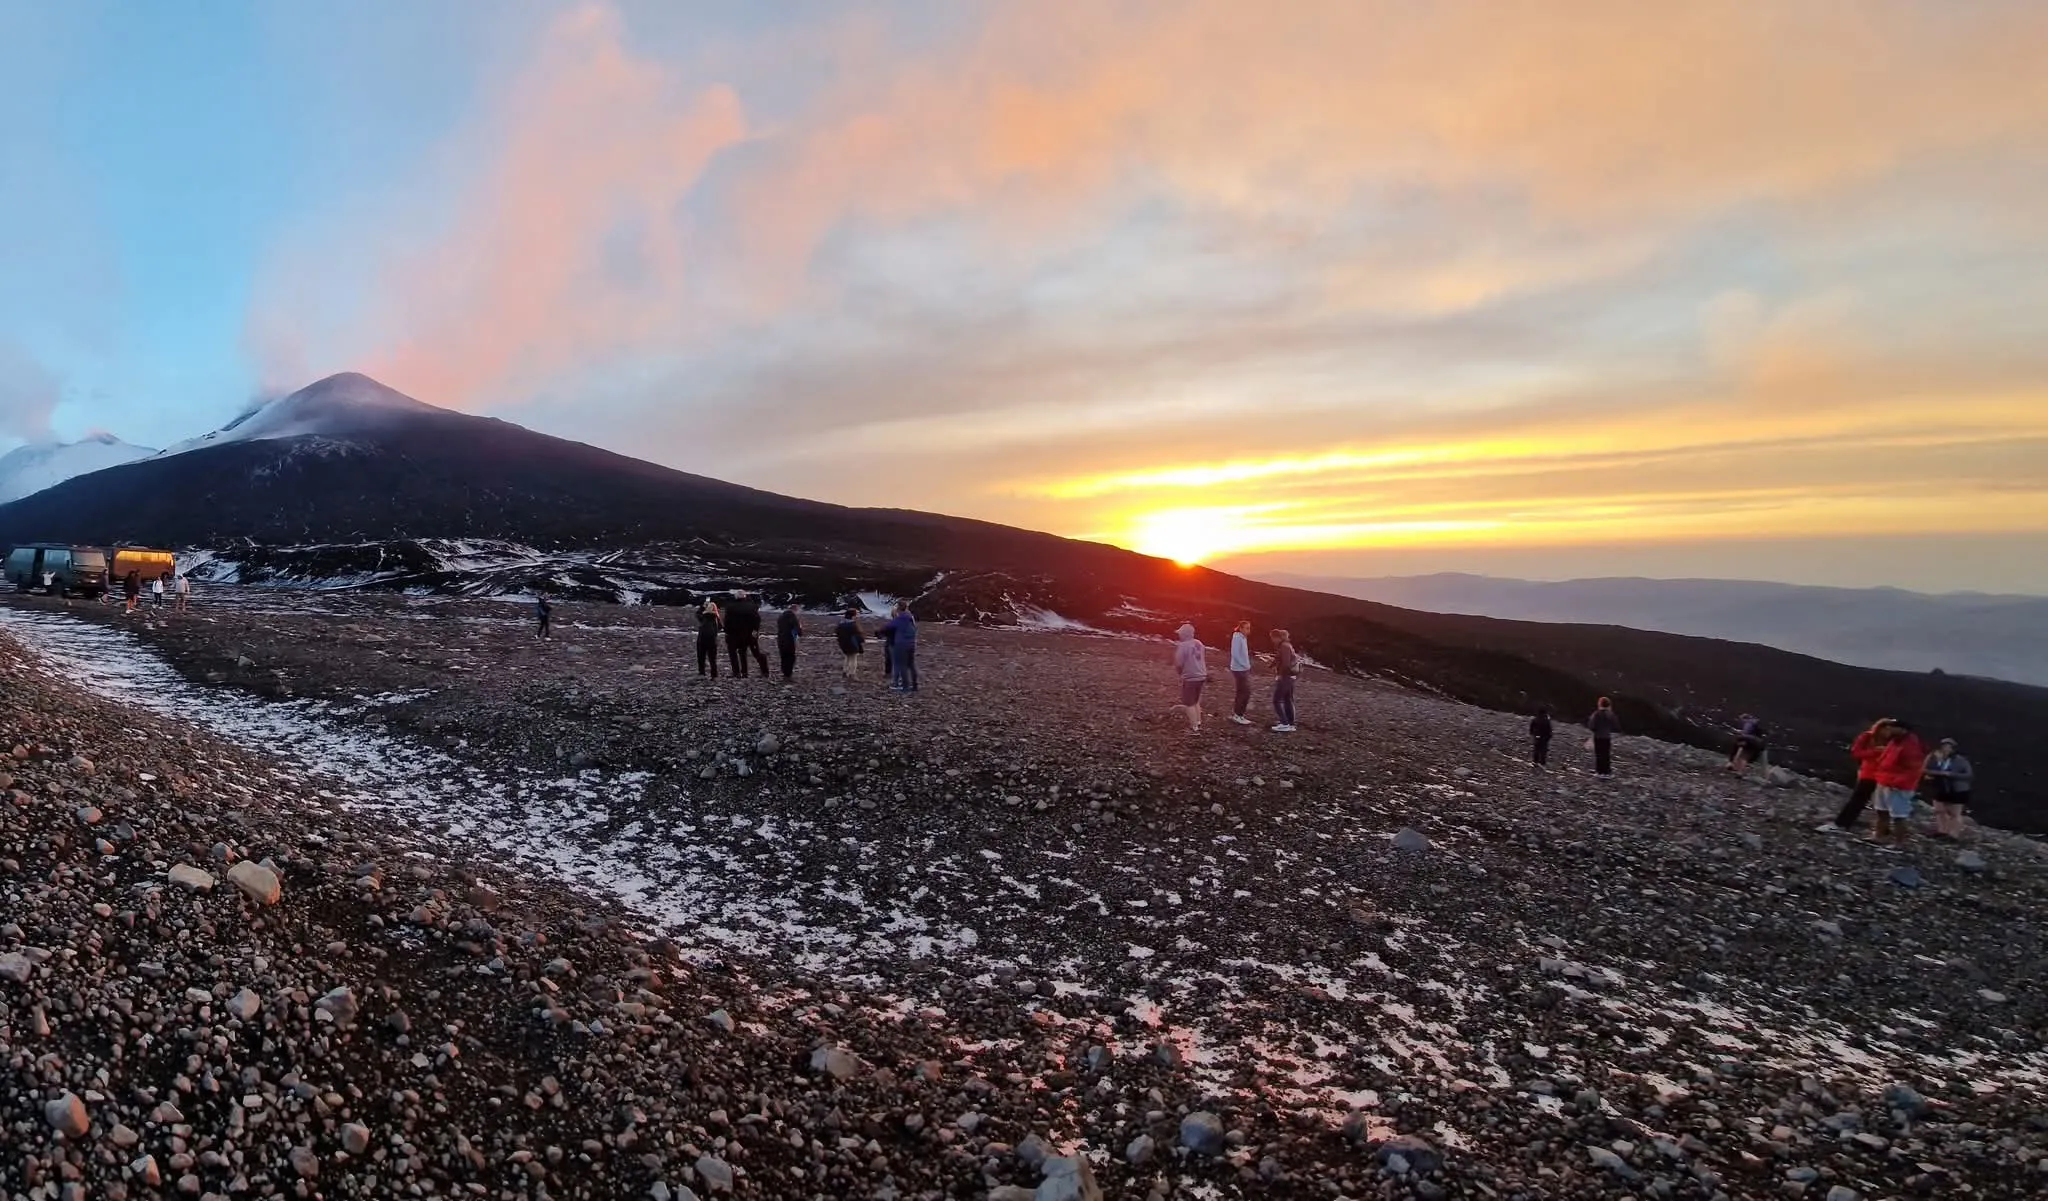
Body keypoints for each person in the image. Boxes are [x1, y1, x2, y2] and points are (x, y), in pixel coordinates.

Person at [1822, 718, 1895, 833]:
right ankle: (1842, 824)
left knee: (1882, 805)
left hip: (1886, 776)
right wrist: (1875, 752)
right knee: (1858, 800)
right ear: (1880, 728)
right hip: (1869, 774)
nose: (1888, 732)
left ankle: (1881, 830)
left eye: (1890, 730)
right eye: (1886, 729)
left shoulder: (1894, 741)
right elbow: (1856, 752)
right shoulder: (1867, 737)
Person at [1869, 720, 1928, 843]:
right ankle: (1879, 836)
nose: (1889, 730)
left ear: (1902, 730)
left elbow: (1914, 769)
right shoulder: (1894, 742)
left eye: (1892, 727)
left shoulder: (1911, 746)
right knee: (1881, 810)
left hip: (1897, 786)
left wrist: (1898, 782)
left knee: (1898, 815)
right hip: (1884, 780)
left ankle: (1899, 843)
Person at [1924, 737, 1974, 839]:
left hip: (1957, 789)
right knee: (1939, 810)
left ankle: (1953, 834)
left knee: (1954, 813)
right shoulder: (1934, 758)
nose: (1946, 749)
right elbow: (1925, 769)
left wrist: (1950, 774)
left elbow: (1968, 775)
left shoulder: (1961, 760)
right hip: (1940, 787)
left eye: (1949, 747)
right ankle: (1942, 830)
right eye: (1944, 746)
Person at [1170, 623, 1207, 733]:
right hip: (1201, 675)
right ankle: (1198, 721)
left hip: (1190, 677)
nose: (1179, 635)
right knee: (1196, 700)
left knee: (1188, 703)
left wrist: (1180, 673)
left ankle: (1194, 727)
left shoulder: (1183, 646)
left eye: (1180, 633)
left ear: (1183, 634)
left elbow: (1178, 663)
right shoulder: (1199, 643)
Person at [724, 591, 768, 677]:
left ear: (736, 597)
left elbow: (727, 622)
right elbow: (757, 620)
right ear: (745, 596)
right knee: (756, 653)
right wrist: (755, 631)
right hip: (749, 635)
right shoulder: (752, 606)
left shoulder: (730, 607)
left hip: (734, 635)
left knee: (734, 653)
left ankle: (737, 672)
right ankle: (764, 671)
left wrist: (727, 632)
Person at [881, 602, 919, 691]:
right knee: (911, 665)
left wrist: (879, 632)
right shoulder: (910, 617)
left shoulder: (900, 618)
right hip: (911, 644)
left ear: (898, 609)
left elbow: (887, 627)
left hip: (901, 644)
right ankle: (914, 685)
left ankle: (904, 686)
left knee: (901, 665)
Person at [1269, 628, 1299, 732]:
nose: (1272, 640)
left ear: (1278, 637)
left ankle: (1284, 723)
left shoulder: (1284, 647)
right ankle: (1290, 723)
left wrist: (1280, 675)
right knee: (1288, 699)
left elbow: (1285, 664)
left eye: (1273, 638)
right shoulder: (1287, 645)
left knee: (1277, 700)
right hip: (1290, 677)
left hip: (1286, 677)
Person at [1227, 620, 1254, 725]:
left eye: (1249, 628)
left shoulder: (1242, 637)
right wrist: (1245, 665)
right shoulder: (1237, 638)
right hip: (1239, 669)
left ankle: (1237, 714)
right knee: (1245, 692)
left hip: (1241, 668)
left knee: (1241, 692)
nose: (1248, 630)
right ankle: (1238, 715)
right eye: (1247, 628)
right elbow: (1235, 654)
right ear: (1241, 628)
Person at [1587, 697, 1620, 778]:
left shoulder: (1596, 714)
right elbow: (1616, 726)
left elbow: (1591, 725)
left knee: (1599, 754)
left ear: (1600, 704)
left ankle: (1599, 771)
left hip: (1598, 737)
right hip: (1607, 737)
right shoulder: (1611, 715)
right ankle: (1607, 772)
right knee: (1606, 754)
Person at [835, 608, 865, 679]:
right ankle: (852, 673)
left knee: (847, 657)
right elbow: (859, 635)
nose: (857, 616)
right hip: (853, 644)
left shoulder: (841, 624)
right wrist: (862, 640)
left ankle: (845, 671)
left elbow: (837, 633)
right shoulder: (853, 625)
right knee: (853, 659)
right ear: (853, 616)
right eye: (856, 614)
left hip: (843, 644)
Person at [776, 605, 803, 681]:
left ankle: (784, 672)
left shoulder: (781, 616)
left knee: (783, 656)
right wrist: (800, 632)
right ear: (795, 610)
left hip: (780, 638)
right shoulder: (792, 616)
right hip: (789, 639)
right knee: (791, 657)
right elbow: (797, 627)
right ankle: (788, 674)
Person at [695, 600, 723, 677]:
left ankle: (702, 672)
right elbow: (720, 627)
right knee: (712, 658)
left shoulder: (704, 616)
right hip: (712, 640)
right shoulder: (716, 617)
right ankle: (714, 674)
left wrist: (702, 607)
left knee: (701, 657)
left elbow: (697, 615)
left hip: (702, 640)